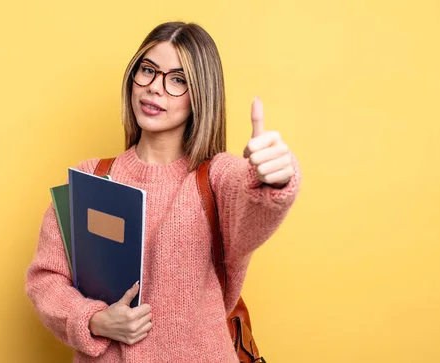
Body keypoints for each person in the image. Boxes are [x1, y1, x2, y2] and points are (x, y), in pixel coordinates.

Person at [25, 21, 301, 363]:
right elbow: (46, 279)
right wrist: (93, 320)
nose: (155, 88)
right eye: (148, 70)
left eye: (178, 79)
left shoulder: (216, 178)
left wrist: (274, 176)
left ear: (200, 94)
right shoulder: (90, 177)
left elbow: (255, 204)